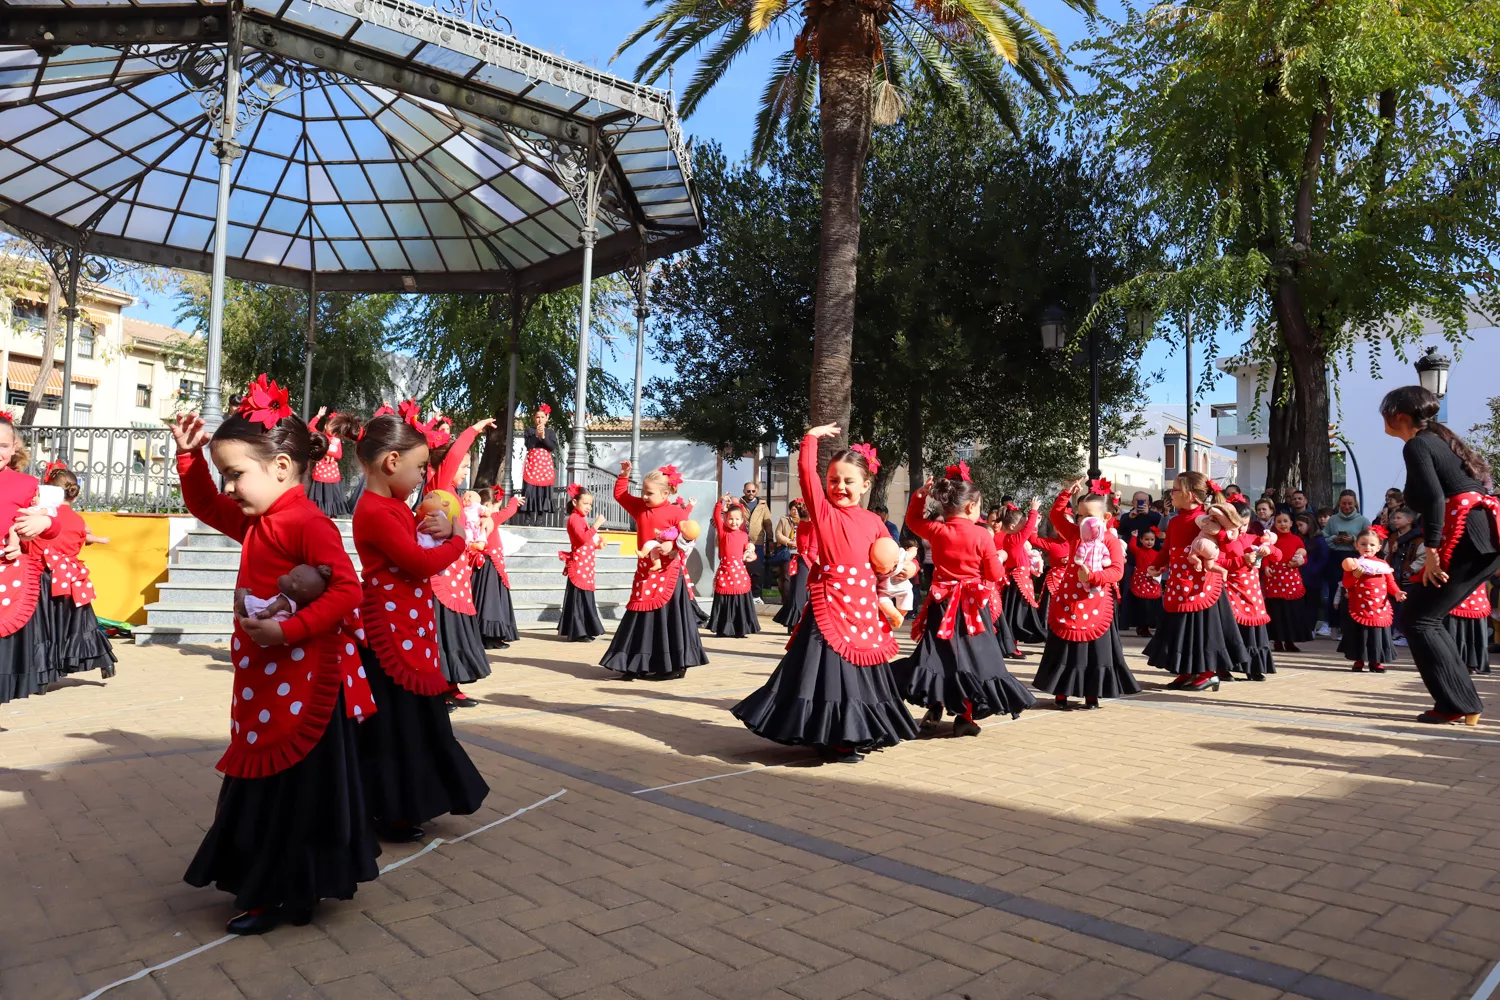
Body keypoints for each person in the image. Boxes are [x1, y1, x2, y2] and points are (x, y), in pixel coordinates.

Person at [172, 380, 379, 935]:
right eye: (226, 474)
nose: (229, 486)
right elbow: (203, 503)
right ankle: (275, 883)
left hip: (302, 679)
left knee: (293, 789)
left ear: (282, 467)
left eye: (236, 473)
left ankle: (286, 889)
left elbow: (347, 593)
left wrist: (289, 631)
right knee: (269, 781)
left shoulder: (306, 522)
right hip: (265, 679)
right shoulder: (258, 520)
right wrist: (191, 458)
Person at [345, 403, 489, 845]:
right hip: (389, 629)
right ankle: (392, 809)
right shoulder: (376, 510)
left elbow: (420, 543)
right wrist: (459, 540)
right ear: (392, 462)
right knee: (396, 724)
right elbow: (418, 561)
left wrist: (440, 528)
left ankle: (407, 803)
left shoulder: (391, 507)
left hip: (407, 627)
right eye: (420, 466)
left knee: (412, 719)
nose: (424, 477)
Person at [732, 428, 917, 762]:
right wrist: (810, 439)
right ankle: (836, 737)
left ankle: (858, 729)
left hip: (863, 609)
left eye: (848, 481)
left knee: (861, 672)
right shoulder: (825, 512)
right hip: (830, 604)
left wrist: (898, 570)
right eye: (833, 480)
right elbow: (806, 476)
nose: (840, 487)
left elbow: (885, 563)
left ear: (865, 485)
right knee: (828, 672)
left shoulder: (875, 521)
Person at [1381, 386, 1499, 724]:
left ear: (1398, 415)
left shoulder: (1419, 443)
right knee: (1423, 618)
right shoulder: (1438, 440)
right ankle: (1461, 700)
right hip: (1481, 539)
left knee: (1419, 619)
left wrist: (1431, 550)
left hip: (1467, 539)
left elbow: (1434, 499)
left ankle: (1457, 702)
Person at [893, 469, 1033, 735]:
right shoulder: (981, 535)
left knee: (939, 655)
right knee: (973, 659)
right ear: (971, 507)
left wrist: (920, 496)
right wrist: (999, 559)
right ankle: (965, 717)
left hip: (942, 603)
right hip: (971, 606)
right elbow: (994, 574)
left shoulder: (937, 530)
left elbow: (912, 521)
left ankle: (934, 705)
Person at [1033, 479, 1140, 710]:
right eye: (1079, 515)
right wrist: (1065, 494)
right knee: (1065, 647)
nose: (1083, 520)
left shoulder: (1110, 540)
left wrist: (1093, 577)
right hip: (1069, 601)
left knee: (1095, 651)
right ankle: (1061, 691)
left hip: (1097, 602)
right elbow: (1056, 516)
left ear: (1106, 518)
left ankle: (1092, 693)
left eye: (1088, 515)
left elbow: (1117, 571)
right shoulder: (1074, 534)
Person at [602, 462, 708, 679]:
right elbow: (621, 495)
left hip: (667, 572)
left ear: (665, 493)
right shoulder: (640, 507)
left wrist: (673, 545)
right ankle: (636, 663)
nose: (644, 497)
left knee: (666, 619)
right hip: (645, 571)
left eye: (649, 493)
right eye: (642, 492)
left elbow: (691, 535)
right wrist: (623, 475)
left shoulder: (676, 513)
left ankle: (671, 666)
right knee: (640, 616)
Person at [1143, 473, 1247, 691]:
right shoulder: (1175, 521)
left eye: (1175, 490)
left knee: (1202, 629)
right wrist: (1157, 565)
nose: (1171, 494)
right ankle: (1188, 671)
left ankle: (1209, 672)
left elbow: (1230, 547)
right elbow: (1167, 549)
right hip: (1179, 583)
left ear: (1189, 494)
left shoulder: (1207, 520)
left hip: (1203, 584)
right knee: (1181, 628)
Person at [424, 416, 499, 709]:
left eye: (466, 467)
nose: (465, 471)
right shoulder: (440, 485)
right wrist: (473, 431)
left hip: (457, 573)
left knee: (453, 629)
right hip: (442, 574)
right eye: (465, 467)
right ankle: (440, 687)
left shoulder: (454, 494)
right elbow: (453, 456)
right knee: (443, 630)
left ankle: (451, 685)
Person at [0, 419, 60, 706]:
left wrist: (43, 520)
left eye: (3, 445)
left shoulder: (28, 485)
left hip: (7, 578)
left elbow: (54, 526)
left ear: (14, 449)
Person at [38, 463, 116, 680]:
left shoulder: (46, 516)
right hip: (74, 577)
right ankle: (106, 662)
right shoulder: (77, 519)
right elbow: (84, 534)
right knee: (83, 622)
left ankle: (48, 670)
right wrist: (99, 539)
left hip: (48, 576)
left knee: (49, 623)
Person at [1222, 496, 1277, 681]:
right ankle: (1224, 667)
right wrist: (1240, 561)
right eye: (1238, 524)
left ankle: (1253, 667)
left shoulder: (1254, 537)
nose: (1241, 529)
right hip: (1231, 589)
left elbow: (1278, 555)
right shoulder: (1222, 540)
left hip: (1252, 591)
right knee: (1232, 629)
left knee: (1254, 629)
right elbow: (1218, 561)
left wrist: (1270, 550)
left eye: (1245, 524)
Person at [1337, 526, 1403, 673]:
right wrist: (1355, 576)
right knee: (1361, 632)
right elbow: (1346, 584)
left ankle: (1376, 661)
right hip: (1360, 605)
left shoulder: (1383, 565)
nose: (1368, 547)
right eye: (1363, 544)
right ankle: (1359, 660)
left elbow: (1390, 583)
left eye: (1372, 544)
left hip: (1379, 606)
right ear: (1356, 545)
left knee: (1377, 633)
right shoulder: (1353, 563)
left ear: (1379, 547)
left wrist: (1397, 593)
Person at [470, 487, 524, 650]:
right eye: (497, 505)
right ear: (488, 505)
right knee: (491, 601)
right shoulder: (491, 517)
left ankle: (483, 634)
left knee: (483, 599)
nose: (498, 509)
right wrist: (515, 500)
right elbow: (509, 511)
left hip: (481, 563)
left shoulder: (472, 518)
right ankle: (491, 637)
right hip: (491, 564)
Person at [995, 500, 1046, 651]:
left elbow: (1029, 530)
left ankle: (1012, 643)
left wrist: (1034, 520)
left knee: (1015, 614)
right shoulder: (1015, 538)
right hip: (1018, 582)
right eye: (1022, 524)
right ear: (1012, 527)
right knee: (1016, 615)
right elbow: (1028, 529)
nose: (1025, 527)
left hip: (1019, 580)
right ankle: (1012, 644)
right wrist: (1033, 510)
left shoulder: (1013, 538)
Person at [558, 485, 607, 641]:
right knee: (579, 599)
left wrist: (597, 543)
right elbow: (583, 538)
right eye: (585, 503)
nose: (589, 507)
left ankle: (584, 630)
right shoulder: (574, 519)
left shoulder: (580, 519)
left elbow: (586, 540)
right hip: (579, 564)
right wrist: (597, 525)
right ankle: (578, 632)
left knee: (583, 598)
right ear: (575, 502)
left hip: (585, 565)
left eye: (590, 504)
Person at [708, 495, 760, 638]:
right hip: (725, 571)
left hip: (739, 572)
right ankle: (723, 628)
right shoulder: (723, 532)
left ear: (742, 521)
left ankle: (739, 628)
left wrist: (751, 554)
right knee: (724, 598)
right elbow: (716, 516)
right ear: (725, 519)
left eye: (737, 519)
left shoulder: (744, 535)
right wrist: (720, 502)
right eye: (731, 518)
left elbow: (748, 553)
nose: (734, 522)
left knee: (740, 598)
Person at [1321, 490, 1369, 637]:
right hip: (1336, 558)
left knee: (1352, 591)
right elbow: (1325, 537)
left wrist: (1353, 540)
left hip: (1355, 558)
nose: (1347, 506)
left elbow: (1368, 540)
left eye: (1350, 503)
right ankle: (1334, 626)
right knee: (1334, 590)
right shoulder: (1333, 520)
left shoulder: (1363, 521)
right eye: (1344, 503)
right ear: (1339, 503)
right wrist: (1335, 540)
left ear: (1355, 503)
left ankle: (1352, 625)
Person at [1264, 511, 1311, 652]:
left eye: (1285, 521)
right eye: (1279, 521)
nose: (1283, 524)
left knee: (1292, 612)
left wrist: (1300, 562)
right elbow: (1265, 554)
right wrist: (1266, 567)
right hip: (1275, 579)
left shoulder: (1297, 539)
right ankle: (1277, 641)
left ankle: (1290, 641)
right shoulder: (1270, 540)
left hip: (1291, 580)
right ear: (1275, 524)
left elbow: (1304, 557)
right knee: (1277, 611)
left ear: (1291, 523)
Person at [1117, 491, 1162, 627]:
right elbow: (1120, 529)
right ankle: (1125, 622)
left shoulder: (1153, 516)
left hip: (1150, 560)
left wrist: (1148, 513)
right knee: (1127, 591)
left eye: (1143, 501)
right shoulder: (1127, 516)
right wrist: (1130, 517)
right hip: (1131, 559)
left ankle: (1150, 623)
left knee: (1152, 594)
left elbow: (1161, 522)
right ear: (1132, 502)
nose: (1140, 504)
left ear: (1148, 503)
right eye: (1137, 501)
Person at [306, 407, 357, 518]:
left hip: (332, 472)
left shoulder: (337, 440)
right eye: (332, 427)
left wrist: (327, 451)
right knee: (320, 493)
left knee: (331, 494)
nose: (334, 431)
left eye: (337, 429)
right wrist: (318, 416)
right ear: (326, 426)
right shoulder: (321, 437)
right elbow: (310, 427)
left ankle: (332, 516)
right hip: (320, 472)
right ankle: (319, 514)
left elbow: (339, 455)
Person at [773, 499, 812, 632]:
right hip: (804, 560)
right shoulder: (808, 525)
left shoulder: (803, 525)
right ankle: (796, 622)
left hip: (802, 560)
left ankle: (795, 622)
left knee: (798, 591)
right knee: (798, 590)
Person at [1294, 513, 1329, 636]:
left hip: (1313, 577)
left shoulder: (1318, 540)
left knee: (1312, 604)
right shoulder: (1300, 539)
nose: (1299, 528)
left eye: (1301, 525)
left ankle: (1310, 628)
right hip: (1301, 576)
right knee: (1302, 604)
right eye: (1297, 525)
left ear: (1309, 525)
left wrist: (1313, 570)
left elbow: (1324, 558)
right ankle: (1302, 627)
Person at [521, 404, 558, 524]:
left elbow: (552, 446)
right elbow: (529, 445)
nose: (540, 419)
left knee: (543, 490)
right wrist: (536, 435)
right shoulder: (529, 431)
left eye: (542, 417)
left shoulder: (551, 432)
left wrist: (543, 437)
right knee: (529, 490)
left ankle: (540, 517)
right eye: (537, 417)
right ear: (534, 418)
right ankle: (527, 517)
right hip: (533, 464)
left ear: (547, 418)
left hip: (544, 466)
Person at [1126, 527, 1163, 637]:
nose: (1149, 542)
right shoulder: (1139, 551)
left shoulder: (1157, 553)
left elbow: (1162, 565)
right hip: (1141, 581)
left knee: (1152, 606)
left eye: (1152, 540)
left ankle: (1147, 626)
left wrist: (1159, 571)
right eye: (1146, 539)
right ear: (1141, 540)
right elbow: (1132, 546)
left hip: (1152, 581)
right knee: (1142, 606)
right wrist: (1134, 536)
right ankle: (1142, 627)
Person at [740, 481, 773, 602]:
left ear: (757, 491)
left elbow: (767, 523)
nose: (751, 493)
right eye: (748, 491)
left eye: (753, 491)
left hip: (757, 542)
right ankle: (744, 593)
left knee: (757, 570)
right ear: (744, 491)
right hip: (742, 542)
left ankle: (756, 595)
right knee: (743, 569)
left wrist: (770, 539)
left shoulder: (762, 505)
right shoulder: (740, 504)